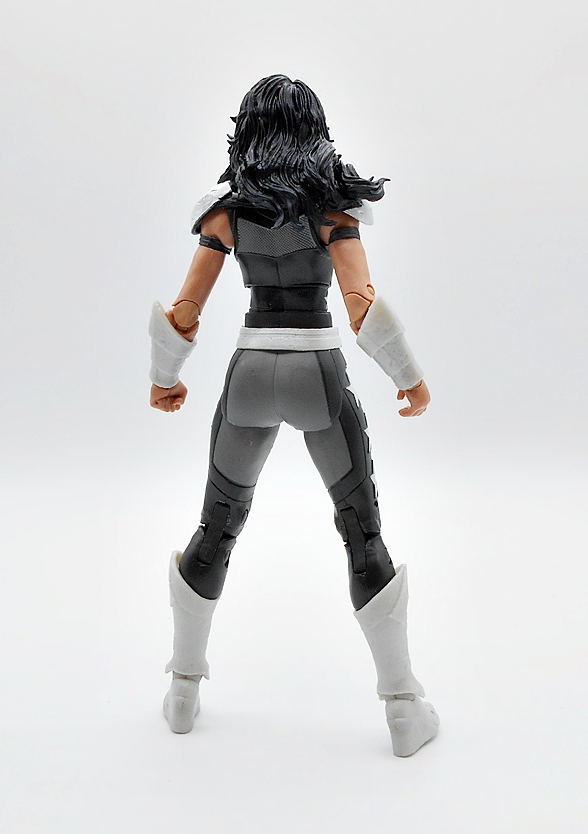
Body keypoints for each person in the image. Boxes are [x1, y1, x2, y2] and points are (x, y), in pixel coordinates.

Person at [149, 75, 439, 756]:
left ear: (246, 131)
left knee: (215, 527)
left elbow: (185, 308)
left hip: (249, 372)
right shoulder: (330, 207)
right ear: (315, 130)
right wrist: (409, 378)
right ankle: (402, 707)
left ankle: (182, 691)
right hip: (316, 373)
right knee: (360, 533)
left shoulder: (226, 212)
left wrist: (164, 378)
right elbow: (361, 303)